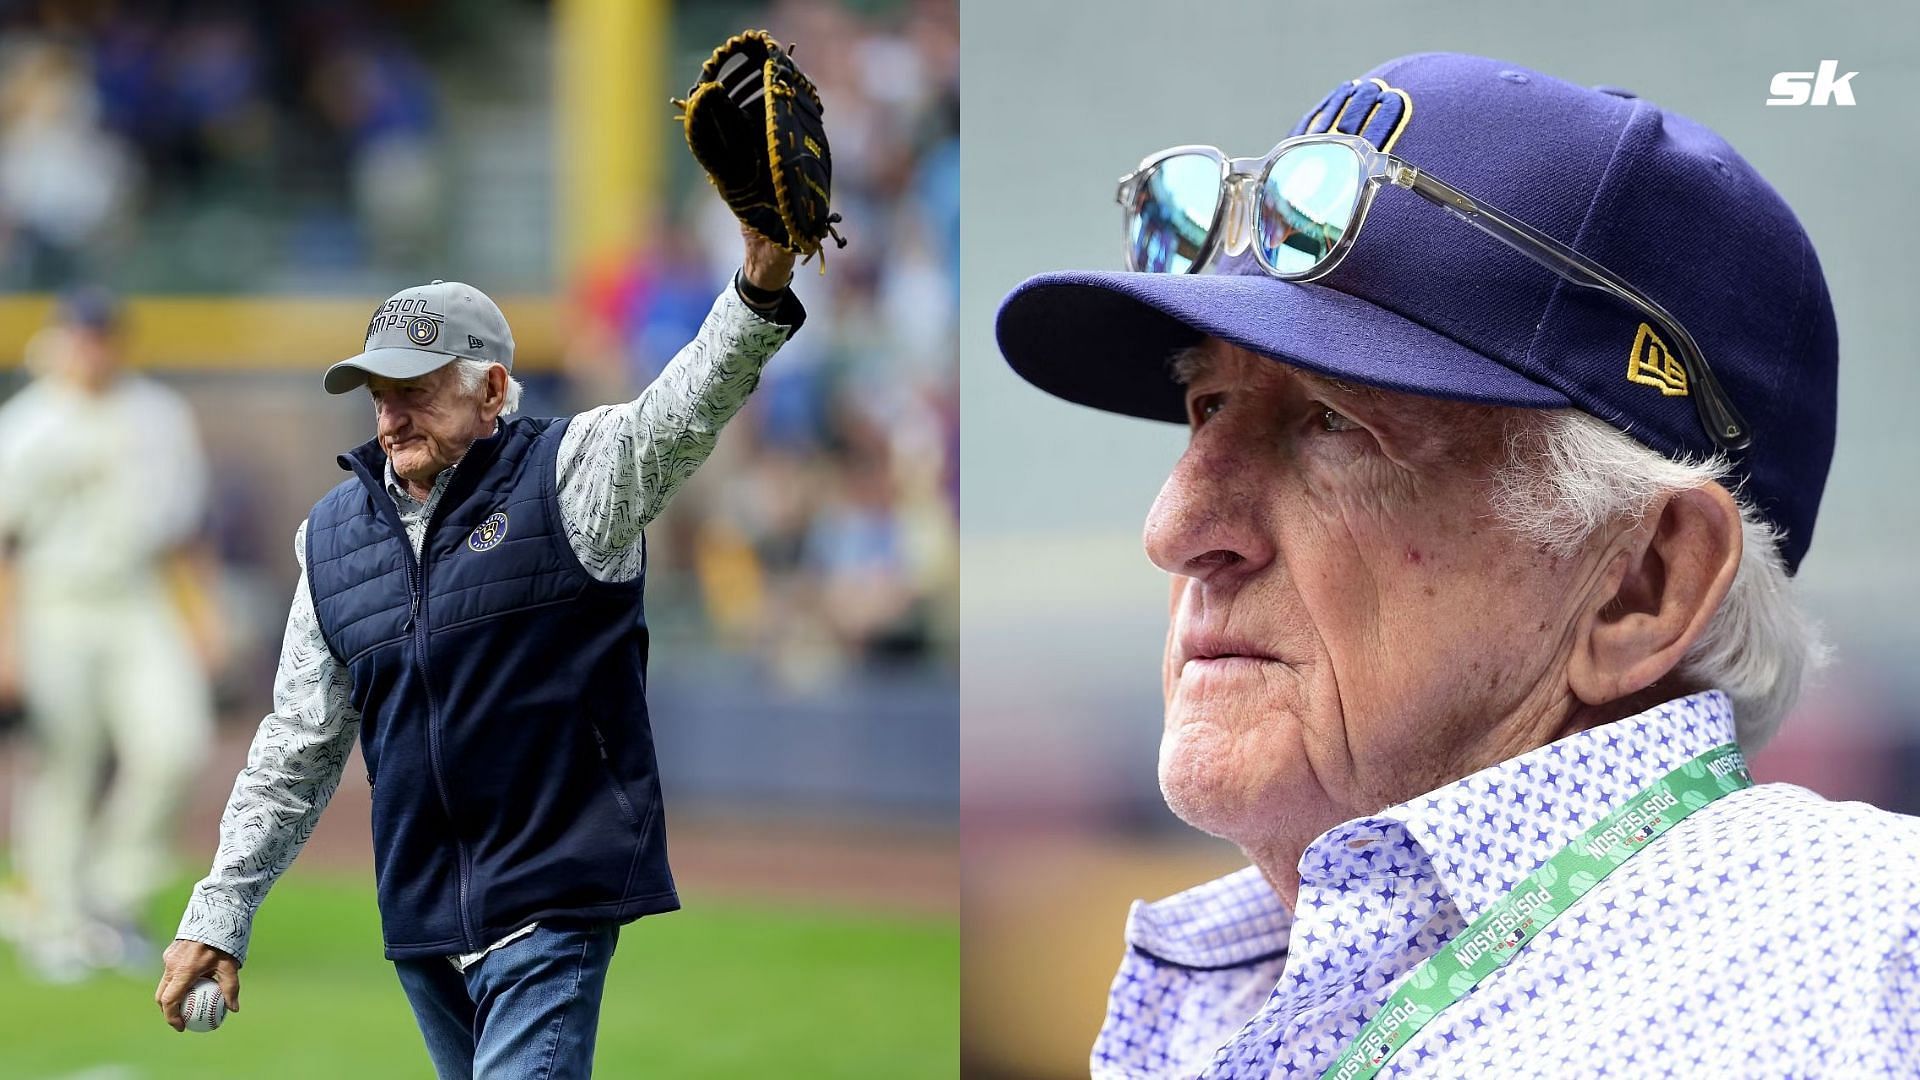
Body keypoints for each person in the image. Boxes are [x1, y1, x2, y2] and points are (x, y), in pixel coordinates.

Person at [995, 53, 1920, 1077]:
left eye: (1334, 423)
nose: (1176, 527)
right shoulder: (1230, 985)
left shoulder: (1875, 954)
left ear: (1641, 586)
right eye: (1207, 406)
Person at [153, 228, 803, 1078]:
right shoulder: (333, 537)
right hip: (423, 918)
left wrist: (757, 291)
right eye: (377, 394)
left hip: (551, 893)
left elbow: (684, 407)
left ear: (492, 388)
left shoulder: (571, 475)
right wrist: (217, 914)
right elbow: (297, 747)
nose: (390, 418)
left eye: (415, 392)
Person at [0, 288, 222, 982]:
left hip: (137, 600)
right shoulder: (28, 423)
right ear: (61, 340)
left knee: (176, 742)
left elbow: (181, 530)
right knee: (64, 762)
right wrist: (7, 642)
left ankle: (112, 895)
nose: (91, 349)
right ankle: (58, 921)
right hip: (53, 602)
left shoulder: (158, 415)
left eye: (102, 336)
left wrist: (203, 615)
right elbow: (6, 545)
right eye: (80, 336)